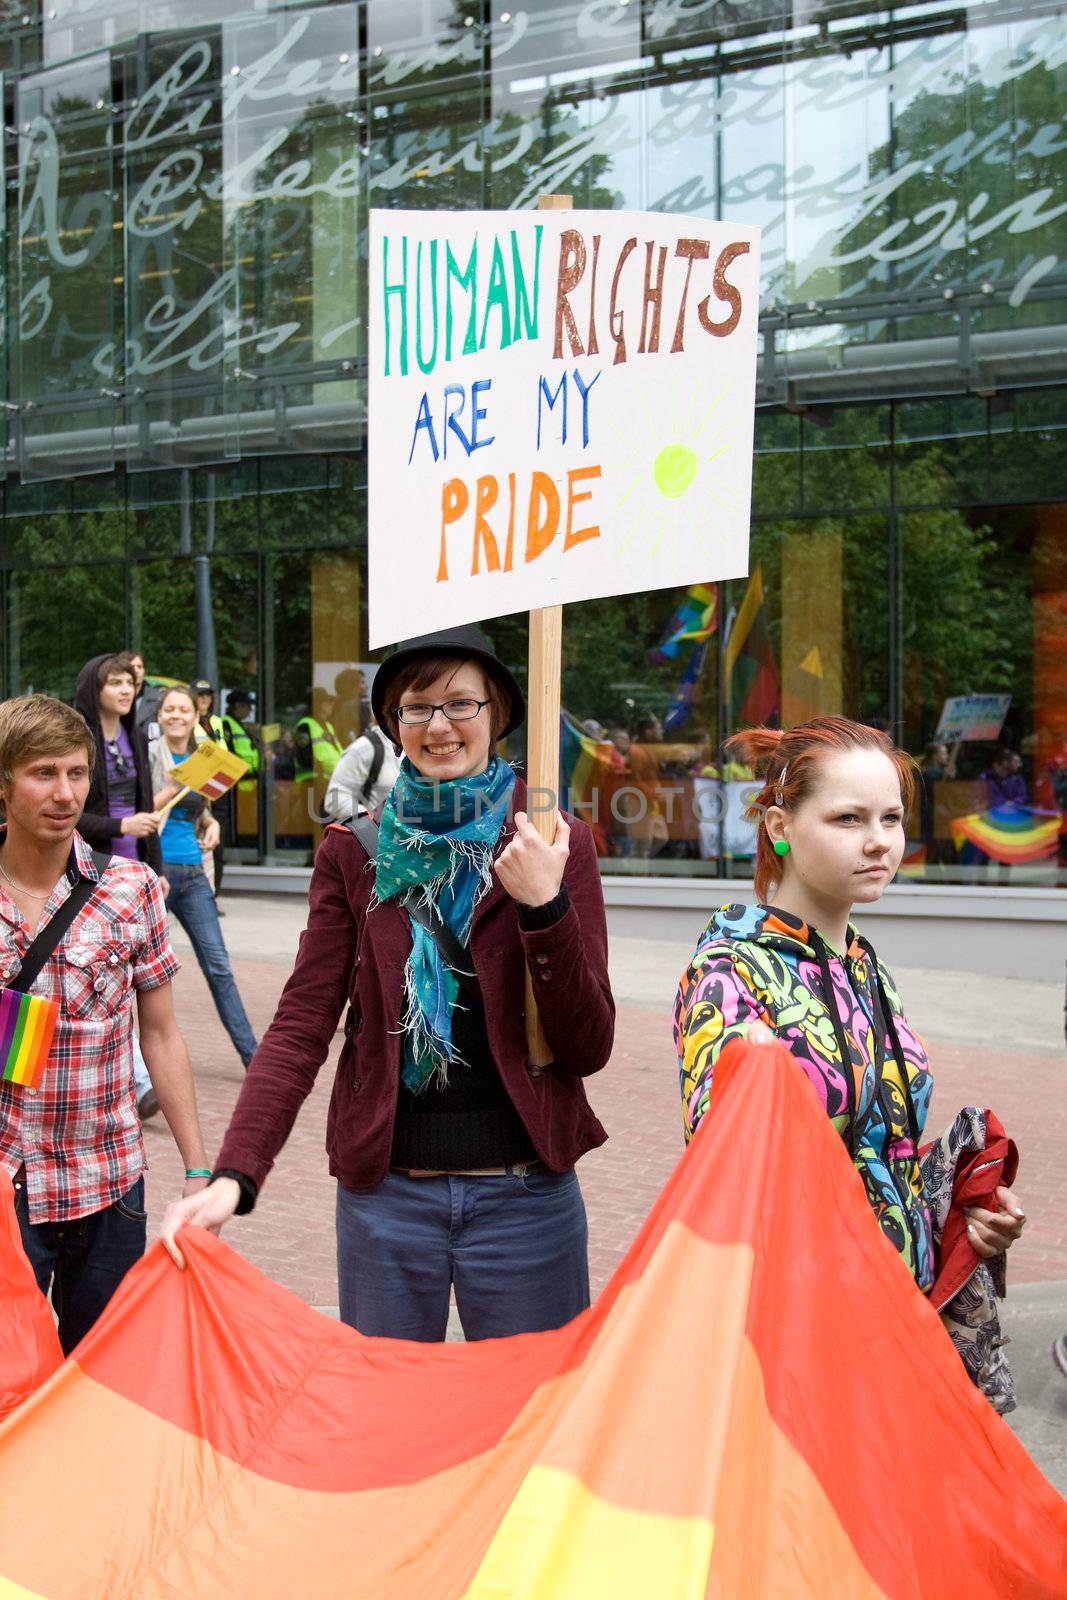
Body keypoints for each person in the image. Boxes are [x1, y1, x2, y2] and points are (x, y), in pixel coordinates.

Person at [162, 623, 615, 1343]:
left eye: (460, 704)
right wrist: (235, 1174)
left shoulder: (554, 840)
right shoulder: (352, 851)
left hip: (526, 1197)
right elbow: (302, 1021)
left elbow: (588, 1045)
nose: (439, 726)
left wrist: (544, 905)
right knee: (388, 1435)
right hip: (387, 1202)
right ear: (390, 723)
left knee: (533, 1428)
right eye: (416, 708)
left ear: (497, 712)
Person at [674, 716, 1026, 1393]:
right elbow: (725, 1179)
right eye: (846, 818)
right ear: (779, 827)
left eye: (890, 818)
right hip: (795, 1339)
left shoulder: (866, 966)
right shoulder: (728, 975)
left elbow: (877, 1152)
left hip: (900, 1322)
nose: (878, 841)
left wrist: (959, 1212)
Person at [0, 694, 210, 1353]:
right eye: (43, 774)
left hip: (108, 1179)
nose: (64, 794)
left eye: (77, 773)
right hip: (8, 1187)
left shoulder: (133, 888)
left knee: (102, 1379)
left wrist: (199, 1170)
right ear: (3, 785)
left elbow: (161, 1035)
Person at [73, 652, 164, 1120]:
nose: (126, 690)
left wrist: (155, 867)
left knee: (136, 979)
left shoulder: (133, 736)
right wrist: (121, 824)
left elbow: (148, 810)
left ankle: (136, 1077)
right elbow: (72, 815)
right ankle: (139, 1080)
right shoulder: (79, 740)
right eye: (115, 683)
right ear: (95, 688)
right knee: (105, 979)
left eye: (130, 683)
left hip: (133, 876)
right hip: (91, 871)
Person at [149, 686, 258, 1069]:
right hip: (154, 875)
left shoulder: (205, 758)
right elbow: (134, 813)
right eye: (169, 709)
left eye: (184, 709)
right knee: (142, 972)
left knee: (218, 966)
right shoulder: (149, 754)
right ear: (160, 716)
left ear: (196, 716)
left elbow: (201, 811)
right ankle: (140, 1070)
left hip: (194, 873)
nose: (177, 715)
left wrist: (211, 825)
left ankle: (253, 1058)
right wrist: (170, 789)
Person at [322, 716, 400, 822]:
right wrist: (373, 820)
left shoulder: (414, 748)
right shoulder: (364, 747)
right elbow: (334, 800)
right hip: (376, 835)